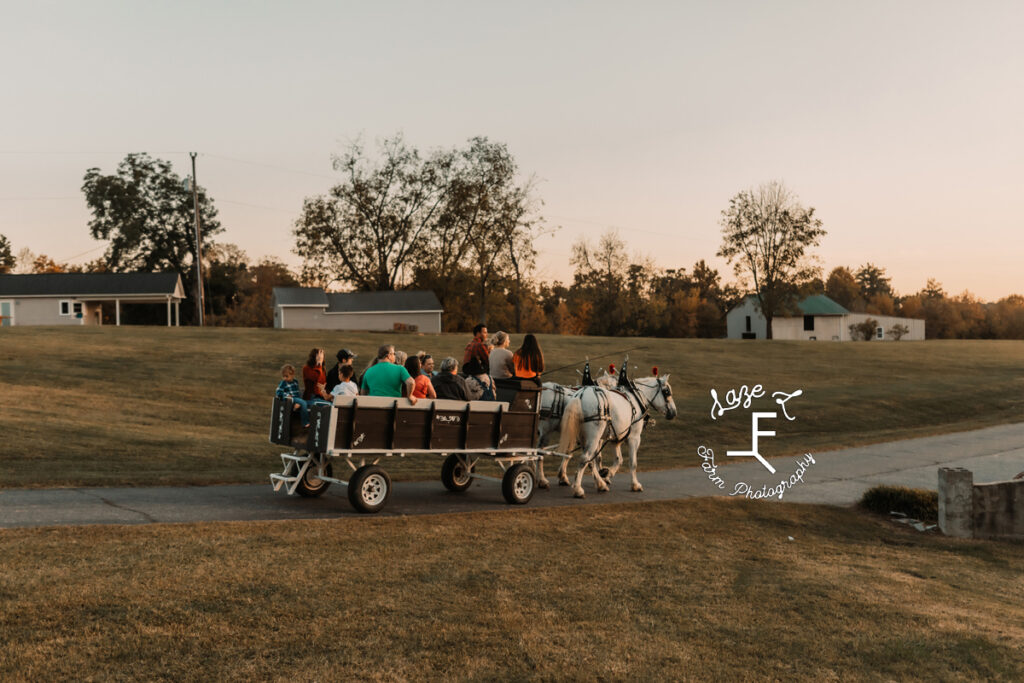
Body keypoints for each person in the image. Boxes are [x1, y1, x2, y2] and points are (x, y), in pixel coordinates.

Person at [463, 323, 494, 400]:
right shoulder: (479, 346)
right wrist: (491, 351)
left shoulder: (469, 344)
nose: (487, 334)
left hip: (467, 372)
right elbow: (489, 361)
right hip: (477, 374)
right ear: (478, 333)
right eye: (484, 332)